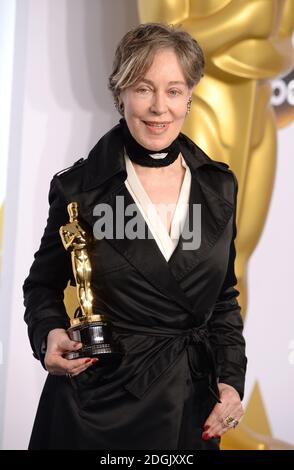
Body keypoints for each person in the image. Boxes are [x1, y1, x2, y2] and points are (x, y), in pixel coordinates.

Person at [23, 22, 247, 450]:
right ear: (120, 92)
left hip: (189, 406)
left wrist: (231, 382)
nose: (159, 108)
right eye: (143, 89)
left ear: (190, 96)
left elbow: (222, 298)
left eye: (174, 90)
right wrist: (49, 333)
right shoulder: (80, 189)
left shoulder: (219, 187)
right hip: (98, 410)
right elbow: (41, 286)